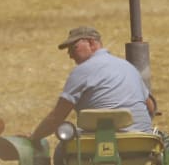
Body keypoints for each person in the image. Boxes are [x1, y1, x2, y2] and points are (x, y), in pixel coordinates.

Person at [28, 25, 156, 144]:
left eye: (74, 48)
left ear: (91, 43)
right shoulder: (128, 67)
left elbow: (57, 117)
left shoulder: (81, 71)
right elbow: (150, 107)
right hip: (141, 141)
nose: (70, 55)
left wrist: (34, 138)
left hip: (97, 145)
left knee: (63, 148)